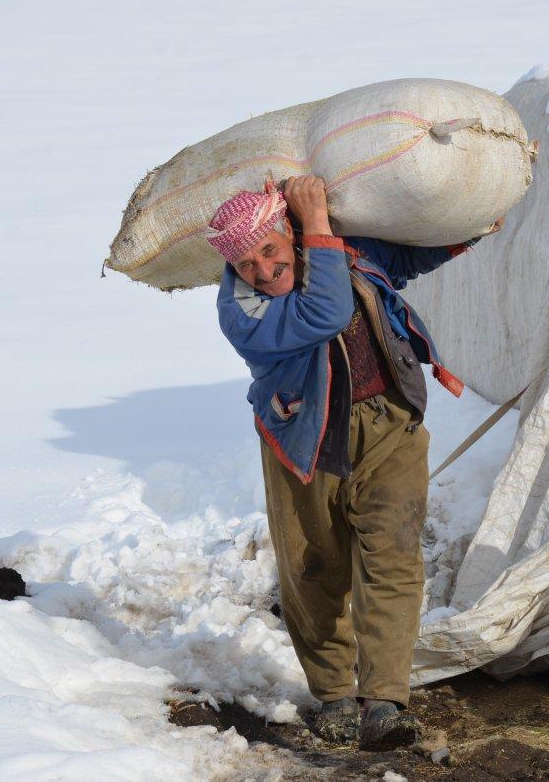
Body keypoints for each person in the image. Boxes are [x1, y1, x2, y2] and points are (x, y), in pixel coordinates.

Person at [211, 174, 499, 750]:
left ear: (285, 237)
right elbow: (324, 311)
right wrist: (317, 223)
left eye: (269, 251)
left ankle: (386, 701)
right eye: (246, 264)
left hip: (389, 426)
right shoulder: (241, 313)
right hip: (305, 443)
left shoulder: (344, 253)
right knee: (314, 569)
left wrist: (472, 218)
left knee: (392, 556)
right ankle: (336, 695)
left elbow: (404, 258)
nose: (263, 272)